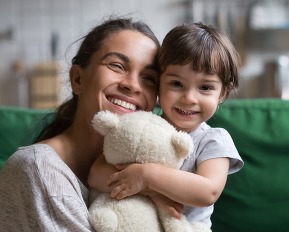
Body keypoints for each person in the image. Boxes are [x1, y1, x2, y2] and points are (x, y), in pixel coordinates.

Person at [0, 16, 160, 231]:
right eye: (117, 65)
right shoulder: (38, 169)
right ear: (78, 79)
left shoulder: (146, 172)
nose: (133, 85)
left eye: (149, 78)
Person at [88, 22, 244, 230]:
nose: (189, 98)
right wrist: (149, 191)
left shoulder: (213, 139)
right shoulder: (142, 126)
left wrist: (147, 176)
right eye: (176, 84)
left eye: (205, 87)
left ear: (222, 93)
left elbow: (208, 192)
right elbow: (96, 174)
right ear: (159, 83)